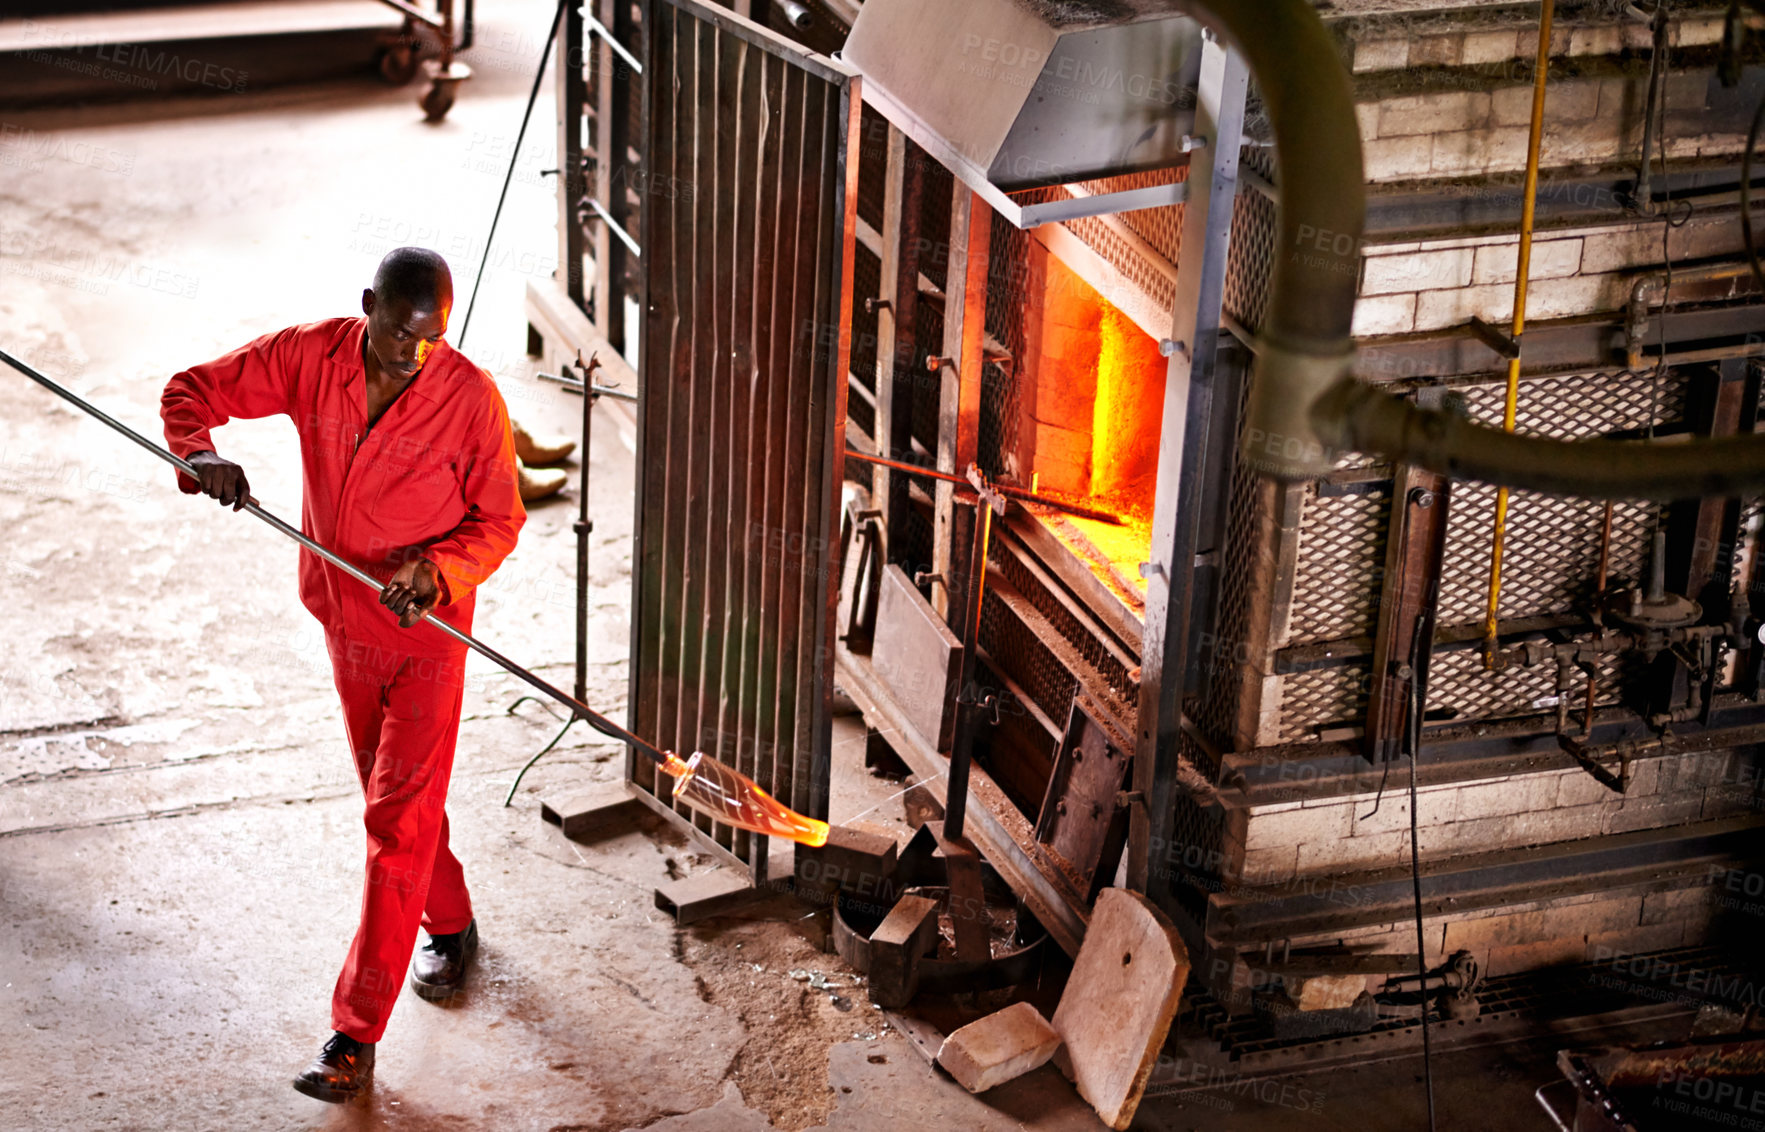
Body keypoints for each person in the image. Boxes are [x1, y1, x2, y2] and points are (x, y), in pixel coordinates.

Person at [161, 247, 525, 1103]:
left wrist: (438, 570)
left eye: (430, 341)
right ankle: (453, 922)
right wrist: (198, 454)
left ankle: (353, 1037)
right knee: (393, 801)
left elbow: (499, 520)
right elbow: (191, 390)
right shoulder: (310, 356)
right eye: (399, 334)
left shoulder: (469, 398)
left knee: (395, 824)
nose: (412, 355)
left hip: (425, 634)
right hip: (342, 618)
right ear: (368, 306)